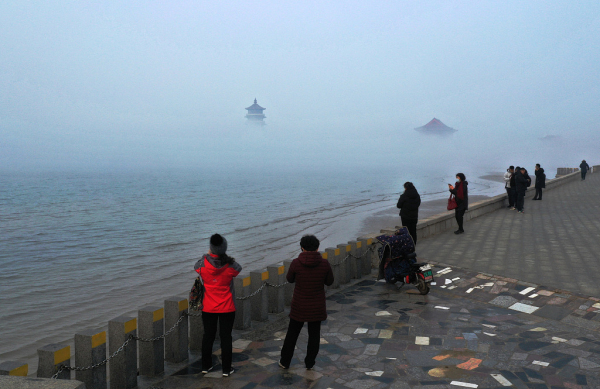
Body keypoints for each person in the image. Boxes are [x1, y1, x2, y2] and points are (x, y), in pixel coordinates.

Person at [280, 235, 334, 370]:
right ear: (317, 248)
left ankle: (285, 362)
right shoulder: (324, 263)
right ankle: (310, 363)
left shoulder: (296, 263)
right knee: (314, 335)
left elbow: (290, 279)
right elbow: (329, 282)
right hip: (317, 306)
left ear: (302, 247)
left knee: (292, 334)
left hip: (299, 305)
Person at [194, 234, 242, 377]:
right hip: (227, 307)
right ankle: (227, 369)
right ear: (224, 248)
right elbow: (239, 268)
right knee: (226, 337)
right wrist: (223, 256)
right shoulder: (230, 266)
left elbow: (196, 266)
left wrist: (208, 254)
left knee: (208, 336)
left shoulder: (203, 264)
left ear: (211, 248)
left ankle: (205, 366)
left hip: (208, 307)